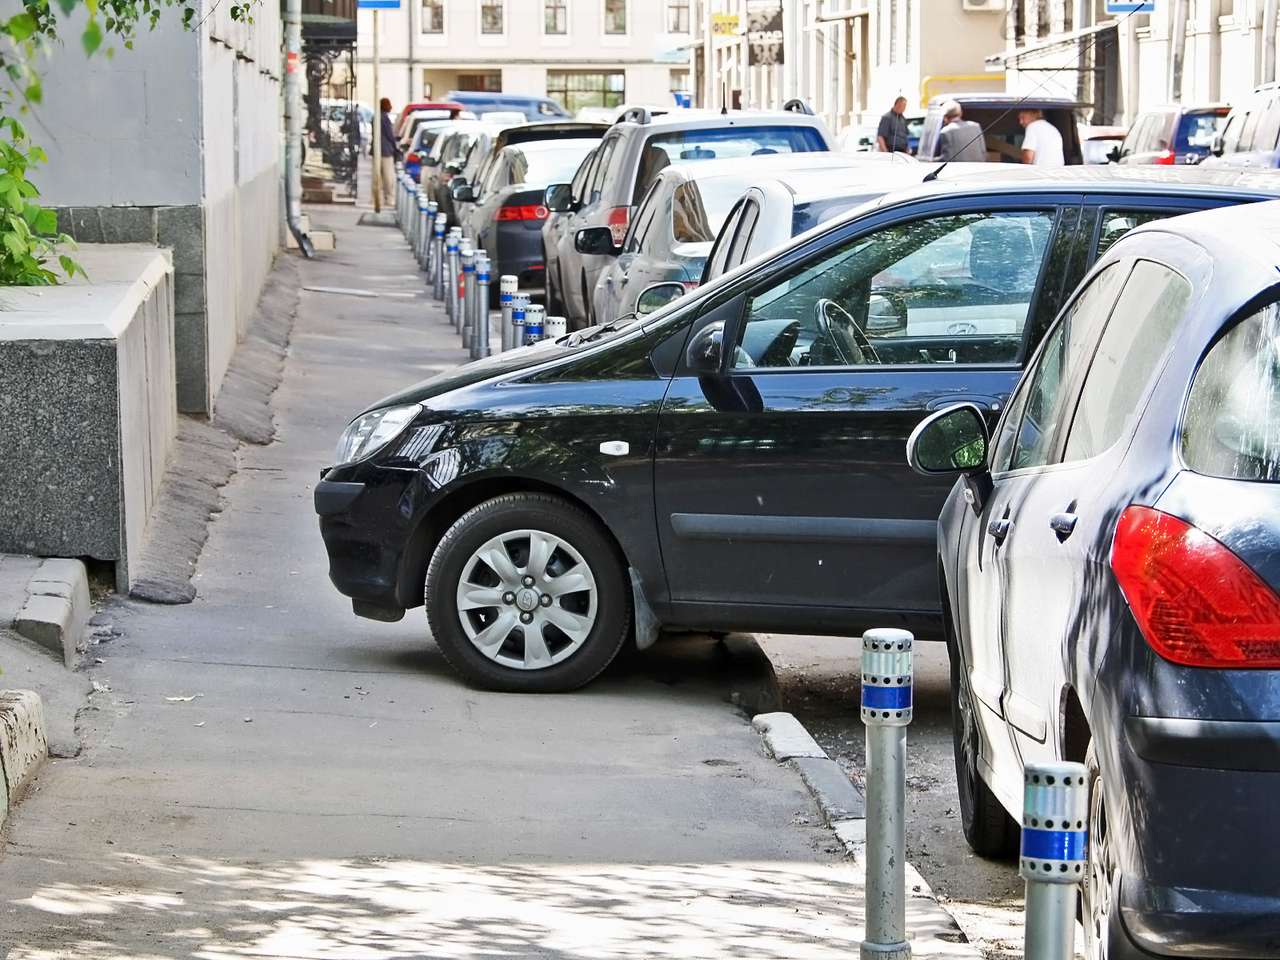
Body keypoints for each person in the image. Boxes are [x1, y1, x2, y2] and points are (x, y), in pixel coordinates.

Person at [377, 97, 400, 206]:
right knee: (388, 177)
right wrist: (395, 147)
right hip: (386, 151)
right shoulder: (385, 118)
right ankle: (389, 198)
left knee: (378, 176)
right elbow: (390, 135)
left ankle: (378, 198)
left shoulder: (376, 117)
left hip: (377, 150)